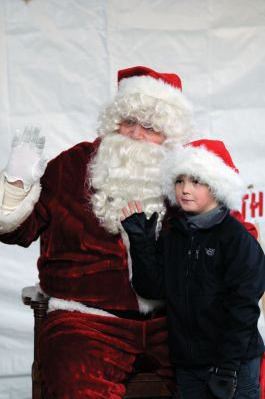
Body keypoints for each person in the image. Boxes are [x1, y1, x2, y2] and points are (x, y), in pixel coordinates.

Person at [0, 66, 196, 399]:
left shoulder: (186, 176)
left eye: (149, 127)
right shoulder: (72, 166)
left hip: (170, 322)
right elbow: (17, 231)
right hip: (86, 322)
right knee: (76, 385)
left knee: (227, 369)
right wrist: (17, 182)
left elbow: (223, 231)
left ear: (170, 137)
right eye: (128, 122)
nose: (135, 134)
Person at [121, 139, 265, 399]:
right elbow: (152, 289)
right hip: (189, 365)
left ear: (217, 186)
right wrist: (142, 244)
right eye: (179, 180)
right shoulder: (173, 235)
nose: (184, 189)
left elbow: (244, 308)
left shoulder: (236, 239)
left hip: (234, 365)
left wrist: (228, 367)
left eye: (196, 181)